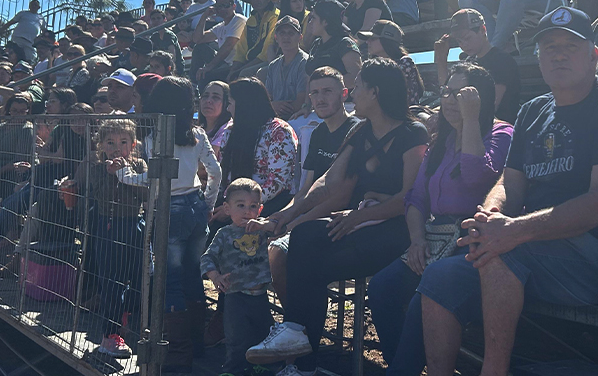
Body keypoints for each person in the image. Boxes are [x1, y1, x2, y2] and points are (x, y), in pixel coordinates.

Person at [419, 6, 598, 376]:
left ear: (594, 55)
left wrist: (513, 231)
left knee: (505, 253)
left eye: (571, 46)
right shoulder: (533, 111)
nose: (559, 54)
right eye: (549, 47)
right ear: (538, 58)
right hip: (538, 245)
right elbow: (509, 183)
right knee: (442, 276)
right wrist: (491, 213)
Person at [245, 59, 428, 376]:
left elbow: (409, 198)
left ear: (375, 91)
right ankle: (297, 341)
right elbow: (329, 183)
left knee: (308, 264)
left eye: (357, 86)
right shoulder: (361, 131)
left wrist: (358, 218)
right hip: (358, 222)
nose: (352, 93)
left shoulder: (413, 133)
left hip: (395, 229)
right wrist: (287, 216)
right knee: (303, 237)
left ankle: (301, 359)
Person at [368, 63, 513, 372]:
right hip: (434, 236)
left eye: (459, 94)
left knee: (426, 296)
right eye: (446, 91)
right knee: (382, 287)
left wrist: (471, 121)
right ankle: (402, 366)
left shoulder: (501, 133)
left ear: (478, 99)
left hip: (473, 240)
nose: (449, 100)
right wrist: (417, 239)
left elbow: (476, 177)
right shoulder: (441, 141)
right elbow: (417, 197)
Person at [119, 76, 222, 373]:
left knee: (172, 280)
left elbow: (151, 177)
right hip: (194, 206)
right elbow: (215, 172)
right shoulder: (197, 133)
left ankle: (178, 351)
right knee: (193, 275)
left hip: (170, 208)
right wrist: (207, 204)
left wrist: (122, 175)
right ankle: (196, 343)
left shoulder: (152, 136)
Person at [264, 67, 357, 307]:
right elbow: (306, 188)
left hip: (341, 219)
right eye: (314, 93)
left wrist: (295, 223)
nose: (320, 98)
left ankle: (297, 323)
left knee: (278, 253)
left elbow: (340, 196)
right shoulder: (318, 133)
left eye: (328, 91)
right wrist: (282, 215)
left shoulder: (357, 131)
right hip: (312, 214)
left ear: (344, 94)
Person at [81, 118, 149, 359]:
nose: (116, 147)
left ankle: (129, 317)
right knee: (111, 280)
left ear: (133, 145)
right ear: (101, 146)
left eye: (123, 142)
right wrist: (110, 175)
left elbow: (145, 194)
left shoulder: (139, 165)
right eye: (110, 142)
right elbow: (94, 193)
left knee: (139, 275)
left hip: (134, 225)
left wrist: (125, 175)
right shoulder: (98, 168)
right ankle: (109, 336)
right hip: (108, 227)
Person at [201, 178, 274, 376]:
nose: (246, 211)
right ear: (227, 208)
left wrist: (266, 225)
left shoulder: (262, 231)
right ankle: (233, 370)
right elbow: (207, 257)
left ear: (259, 209)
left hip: (260, 295)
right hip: (235, 295)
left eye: (252, 206)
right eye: (240, 205)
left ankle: (263, 368)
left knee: (264, 334)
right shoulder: (224, 234)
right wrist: (215, 275)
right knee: (236, 337)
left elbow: (280, 229)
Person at [217, 78, 298, 218]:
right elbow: (224, 171)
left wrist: (239, 207)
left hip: (266, 206)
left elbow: (278, 182)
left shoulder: (279, 131)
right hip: (231, 204)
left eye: (230, 103)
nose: (228, 109)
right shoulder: (231, 130)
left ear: (244, 105)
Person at [435, 9, 520, 123]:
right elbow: (447, 93)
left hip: (495, 126)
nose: (463, 45)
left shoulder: (502, 61)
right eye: (459, 41)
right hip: (469, 120)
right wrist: (441, 60)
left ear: (482, 30)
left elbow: (491, 106)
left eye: (467, 38)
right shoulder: (468, 62)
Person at [358, 20, 424, 106]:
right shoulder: (372, 65)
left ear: (386, 41)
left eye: (372, 39)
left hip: (405, 115)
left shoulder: (405, 63)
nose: (367, 42)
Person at [304, 0, 362, 90]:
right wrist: (306, 103)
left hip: (344, 102)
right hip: (317, 102)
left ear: (325, 22)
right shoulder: (316, 44)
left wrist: (325, 86)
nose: (310, 22)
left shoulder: (345, 44)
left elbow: (356, 77)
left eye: (313, 18)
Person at [193, 0, 248, 84]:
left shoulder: (238, 20)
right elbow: (198, 40)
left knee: (206, 75)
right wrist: (204, 17)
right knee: (200, 48)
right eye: (219, 6)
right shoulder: (220, 26)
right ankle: (193, 83)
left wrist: (209, 66)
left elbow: (229, 45)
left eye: (226, 5)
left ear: (234, 6)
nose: (222, 9)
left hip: (236, 63)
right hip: (224, 62)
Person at [262, 17, 310, 120]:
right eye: (282, 33)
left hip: (297, 117)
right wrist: (273, 106)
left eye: (291, 33)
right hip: (275, 118)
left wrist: (276, 108)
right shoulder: (273, 66)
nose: (286, 37)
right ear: (276, 37)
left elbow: (300, 102)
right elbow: (267, 98)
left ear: (300, 37)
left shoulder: (305, 63)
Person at [233, 0, 281, 80]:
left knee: (244, 74)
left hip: (269, 61)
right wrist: (233, 69)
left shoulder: (275, 16)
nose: (256, 0)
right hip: (249, 62)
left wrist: (239, 71)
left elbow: (266, 53)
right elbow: (241, 47)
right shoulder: (251, 19)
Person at [198, 80, 232, 161]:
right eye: (205, 96)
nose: (208, 101)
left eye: (216, 97)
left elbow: (205, 166)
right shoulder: (198, 130)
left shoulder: (227, 129)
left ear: (227, 103)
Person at [147, 8, 185, 75]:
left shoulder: (169, 35)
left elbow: (172, 57)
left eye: (159, 18)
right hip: (158, 68)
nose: (156, 21)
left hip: (174, 69)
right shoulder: (154, 37)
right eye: (153, 19)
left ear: (164, 19)